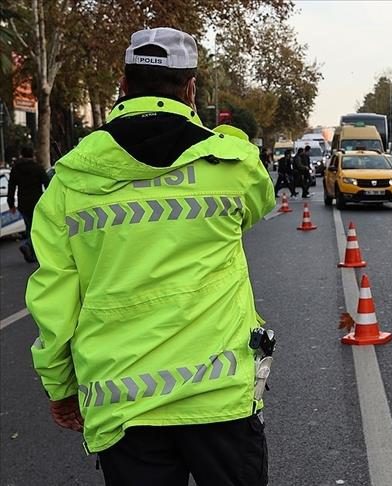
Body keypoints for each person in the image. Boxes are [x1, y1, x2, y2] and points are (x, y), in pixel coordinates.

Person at [25, 27, 274, 486]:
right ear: (191, 87)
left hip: (123, 402)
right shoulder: (230, 165)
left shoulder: (70, 178)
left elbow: (54, 300)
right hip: (218, 398)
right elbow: (260, 202)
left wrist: (60, 387)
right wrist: (227, 135)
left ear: (123, 84)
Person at [6, 144, 50, 263]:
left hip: (23, 203)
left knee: (29, 226)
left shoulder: (15, 169)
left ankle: (32, 252)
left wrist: (11, 204)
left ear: (21, 154)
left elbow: (11, 187)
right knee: (36, 227)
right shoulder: (38, 168)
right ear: (33, 154)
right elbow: (48, 184)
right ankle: (28, 245)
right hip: (36, 202)